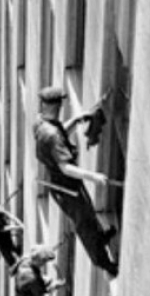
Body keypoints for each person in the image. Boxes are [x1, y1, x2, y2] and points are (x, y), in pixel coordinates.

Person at [33, 87, 119, 277]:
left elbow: (60, 131)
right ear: (57, 106)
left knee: (88, 213)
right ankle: (104, 263)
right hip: (66, 187)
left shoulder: (41, 123)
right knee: (84, 224)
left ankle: (101, 238)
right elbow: (66, 168)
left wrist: (77, 119)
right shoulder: (52, 135)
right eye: (60, 103)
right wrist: (93, 176)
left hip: (62, 184)